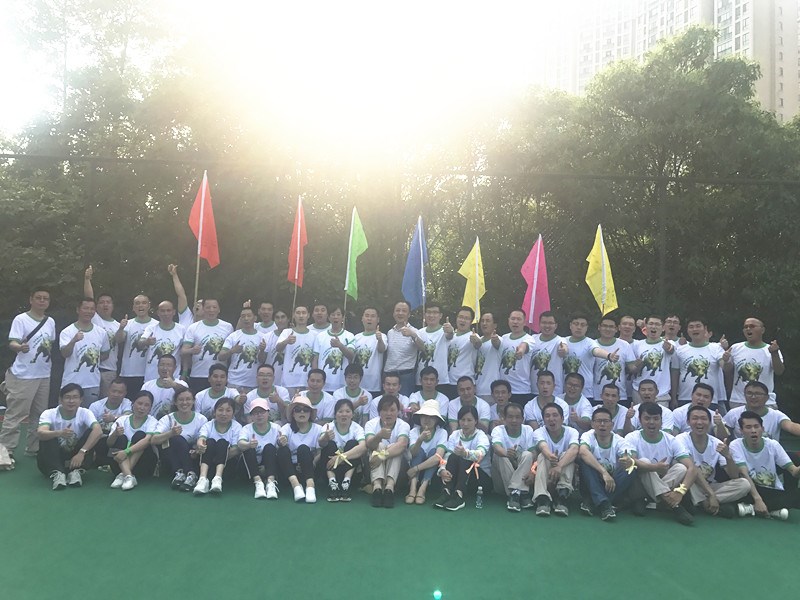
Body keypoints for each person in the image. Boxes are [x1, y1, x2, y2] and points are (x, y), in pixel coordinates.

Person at [0, 287, 56, 458]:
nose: (42, 301)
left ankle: (34, 448)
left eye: (45, 298)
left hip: (44, 375)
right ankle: (6, 451)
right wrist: (20, 347)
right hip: (23, 375)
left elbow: (49, 344)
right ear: (31, 299)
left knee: (39, 415)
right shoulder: (21, 319)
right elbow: (12, 342)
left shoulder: (50, 321)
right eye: (38, 297)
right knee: (15, 414)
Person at [621, 402, 697, 525]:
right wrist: (654, 467)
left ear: (661, 421)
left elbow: (692, 468)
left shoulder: (671, 440)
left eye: (656, 419)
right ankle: (675, 506)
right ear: (640, 420)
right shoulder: (632, 437)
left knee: (682, 468)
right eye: (647, 418)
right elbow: (632, 462)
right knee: (644, 463)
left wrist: (680, 492)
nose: (651, 422)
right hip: (639, 486)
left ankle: (652, 501)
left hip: (662, 481)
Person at [676, 406, 750, 517]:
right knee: (685, 472)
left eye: (703, 419)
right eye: (695, 418)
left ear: (710, 422)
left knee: (744, 484)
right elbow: (692, 470)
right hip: (689, 485)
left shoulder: (716, 443)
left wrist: (728, 456)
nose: (699, 422)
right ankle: (709, 503)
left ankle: (703, 503)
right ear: (688, 422)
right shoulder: (680, 439)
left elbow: (734, 476)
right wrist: (711, 494)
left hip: (709, 486)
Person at [730, 411, 800, 519]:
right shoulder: (736, 445)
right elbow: (744, 474)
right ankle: (770, 508)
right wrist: (758, 499)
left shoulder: (773, 445)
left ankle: (752, 508)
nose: (753, 430)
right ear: (741, 431)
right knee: (743, 487)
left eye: (756, 426)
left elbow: (794, 472)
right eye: (748, 427)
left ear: (762, 429)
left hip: (771, 490)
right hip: (750, 490)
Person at [37, 384, 103, 490]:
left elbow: (98, 431)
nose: (71, 401)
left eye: (75, 397)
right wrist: (58, 433)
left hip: (76, 456)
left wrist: (82, 452)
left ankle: (76, 472)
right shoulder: (49, 413)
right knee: (47, 436)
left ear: (81, 400)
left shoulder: (85, 412)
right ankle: (57, 473)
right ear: (61, 399)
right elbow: (41, 432)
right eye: (67, 397)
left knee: (92, 432)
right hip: (54, 456)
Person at [578, 407, 635, 521]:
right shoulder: (588, 436)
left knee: (632, 468)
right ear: (592, 424)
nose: (602, 424)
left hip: (612, 484)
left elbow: (628, 456)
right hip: (592, 480)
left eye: (606, 421)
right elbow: (583, 451)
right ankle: (605, 504)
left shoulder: (619, 440)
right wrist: (604, 472)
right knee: (583, 460)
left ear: (612, 425)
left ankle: (596, 501)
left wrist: (627, 460)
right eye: (599, 421)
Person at [434, 405, 491, 511]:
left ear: (476, 421)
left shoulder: (481, 436)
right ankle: (447, 492)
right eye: (462, 420)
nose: (465, 423)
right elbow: (447, 455)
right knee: (453, 456)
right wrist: (442, 469)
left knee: (464, 458)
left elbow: (480, 454)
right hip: (460, 475)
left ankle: (459, 496)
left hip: (480, 478)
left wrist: (465, 453)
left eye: (469, 420)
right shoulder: (455, 434)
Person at [152, 388, 208, 492]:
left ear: (193, 401)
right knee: (176, 439)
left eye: (188, 399)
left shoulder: (201, 419)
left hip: (193, 455)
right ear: (175, 402)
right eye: (181, 400)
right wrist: (171, 433)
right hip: (173, 457)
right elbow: (154, 440)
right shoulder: (167, 419)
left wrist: (196, 450)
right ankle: (184, 473)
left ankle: (190, 474)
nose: (184, 403)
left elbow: (203, 439)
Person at [60, 297, 111, 407]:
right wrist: (73, 341)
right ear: (78, 310)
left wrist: (93, 360)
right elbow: (65, 354)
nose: (89, 311)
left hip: (92, 383)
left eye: (92, 309)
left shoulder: (101, 333)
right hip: (71, 382)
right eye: (85, 308)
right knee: (68, 413)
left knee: (89, 414)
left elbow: (105, 354)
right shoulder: (67, 331)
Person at [532, 403, 580, 516]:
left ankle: (562, 496)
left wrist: (559, 466)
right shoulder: (539, 432)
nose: (551, 419)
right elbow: (543, 447)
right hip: (546, 474)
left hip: (564, 472)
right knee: (542, 456)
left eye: (555, 415)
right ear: (543, 420)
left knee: (568, 455)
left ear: (562, 418)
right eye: (547, 416)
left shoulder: (572, 432)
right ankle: (542, 498)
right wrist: (551, 457)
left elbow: (574, 449)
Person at [671, 317, 730, 407]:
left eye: (698, 326)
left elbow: (725, 367)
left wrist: (726, 361)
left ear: (705, 329)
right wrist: (673, 398)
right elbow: (675, 375)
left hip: (709, 399)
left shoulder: (716, 348)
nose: (695, 329)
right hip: (685, 398)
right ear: (687, 330)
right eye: (691, 327)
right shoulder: (679, 350)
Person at [106, 390, 159, 491]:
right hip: (118, 461)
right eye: (139, 403)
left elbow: (147, 440)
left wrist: (126, 452)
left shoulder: (152, 421)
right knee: (121, 438)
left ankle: (124, 474)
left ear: (150, 408)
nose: (142, 408)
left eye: (146, 405)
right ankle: (128, 475)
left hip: (143, 464)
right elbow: (109, 443)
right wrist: (115, 434)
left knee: (140, 435)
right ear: (133, 403)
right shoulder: (122, 420)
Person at [727, 318, 784, 408]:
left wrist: (774, 353)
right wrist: (725, 360)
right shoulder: (735, 348)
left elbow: (779, 371)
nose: (748, 329)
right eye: (745, 327)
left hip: (765, 402)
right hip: (739, 401)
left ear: (762, 330)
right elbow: (727, 370)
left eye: (752, 326)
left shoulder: (770, 350)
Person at [365, 394, 410, 508]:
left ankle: (389, 488)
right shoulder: (371, 424)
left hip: (396, 467)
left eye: (392, 410)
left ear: (398, 411)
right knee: (379, 445)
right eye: (385, 410)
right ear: (379, 412)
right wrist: (379, 436)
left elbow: (402, 444)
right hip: (372, 463)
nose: (388, 413)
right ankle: (377, 488)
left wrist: (382, 456)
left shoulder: (403, 425)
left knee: (395, 447)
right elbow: (369, 444)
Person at [276, 396, 324, 503]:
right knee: (282, 450)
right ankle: (296, 486)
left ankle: (310, 486)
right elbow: (282, 438)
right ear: (293, 413)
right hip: (290, 470)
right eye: (297, 410)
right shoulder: (287, 428)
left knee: (303, 449)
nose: (302, 412)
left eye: (306, 410)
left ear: (310, 413)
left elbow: (320, 453)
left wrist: (313, 463)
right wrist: (281, 441)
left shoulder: (318, 429)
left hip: (310, 467)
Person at [318, 398, 367, 502]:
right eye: (340, 411)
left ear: (352, 414)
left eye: (347, 411)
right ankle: (332, 484)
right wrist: (325, 437)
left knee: (352, 444)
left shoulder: (357, 428)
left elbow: (363, 447)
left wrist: (341, 457)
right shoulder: (328, 426)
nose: (344, 414)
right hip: (330, 469)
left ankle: (346, 483)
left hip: (350, 471)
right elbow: (321, 444)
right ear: (335, 414)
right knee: (329, 444)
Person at [181, 298, 233, 394]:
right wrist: (192, 350)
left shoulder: (228, 327)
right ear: (203, 309)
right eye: (208, 307)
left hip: (220, 375)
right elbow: (183, 351)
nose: (211, 310)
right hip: (198, 374)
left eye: (214, 307)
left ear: (219, 309)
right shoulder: (193, 327)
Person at [491, 402, 536, 512]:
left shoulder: (528, 430)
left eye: (517, 417)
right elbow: (496, 447)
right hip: (501, 481)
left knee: (528, 454)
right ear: (504, 418)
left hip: (523, 477)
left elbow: (534, 453)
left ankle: (515, 494)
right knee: (500, 456)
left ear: (523, 419)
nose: (514, 420)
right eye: (510, 417)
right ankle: (519, 492)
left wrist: (532, 472)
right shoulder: (498, 430)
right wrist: (506, 453)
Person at [83, 266, 120, 398]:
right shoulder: (95, 319)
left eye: (108, 302)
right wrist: (87, 279)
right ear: (96, 306)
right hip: (91, 368)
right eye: (102, 302)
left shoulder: (118, 325)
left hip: (109, 370)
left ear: (112, 305)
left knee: (106, 402)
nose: (105, 305)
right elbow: (89, 297)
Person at [193, 397, 242, 495]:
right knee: (210, 442)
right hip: (207, 463)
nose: (224, 414)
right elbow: (201, 438)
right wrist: (200, 445)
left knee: (222, 443)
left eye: (228, 410)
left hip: (226, 465)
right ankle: (202, 479)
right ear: (214, 412)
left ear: (233, 413)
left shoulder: (237, 427)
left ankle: (218, 479)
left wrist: (219, 456)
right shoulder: (208, 425)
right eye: (220, 410)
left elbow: (236, 449)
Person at [723, 381, 800, 442]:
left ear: (767, 397)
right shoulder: (734, 413)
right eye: (749, 393)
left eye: (758, 394)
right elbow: (722, 433)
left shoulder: (776, 415)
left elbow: (791, 426)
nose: (753, 397)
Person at [406, 399, 448, 505]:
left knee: (434, 452)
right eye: (424, 416)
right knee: (419, 451)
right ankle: (412, 488)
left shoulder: (442, 432)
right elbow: (413, 453)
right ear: (420, 417)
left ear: (437, 420)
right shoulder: (414, 431)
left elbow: (438, 457)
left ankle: (422, 488)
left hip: (428, 472)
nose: (427, 419)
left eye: (431, 417)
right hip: (414, 467)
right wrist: (420, 440)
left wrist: (415, 469)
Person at [237, 399, 280, 500]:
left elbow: (279, 450)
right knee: (249, 449)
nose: (259, 415)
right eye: (255, 413)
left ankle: (270, 483)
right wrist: (249, 444)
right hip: (249, 467)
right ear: (251, 416)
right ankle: (258, 482)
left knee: (270, 447)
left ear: (268, 413)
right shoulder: (246, 428)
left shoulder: (276, 428)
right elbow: (240, 444)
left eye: (262, 412)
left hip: (268, 465)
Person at [115, 293, 156, 396]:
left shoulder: (156, 325)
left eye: (144, 303)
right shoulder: (128, 324)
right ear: (133, 308)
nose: (140, 306)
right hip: (129, 372)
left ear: (149, 306)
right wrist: (121, 328)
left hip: (149, 373)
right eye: (137, 303)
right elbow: (119, 340)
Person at [384, 300, 427, 397]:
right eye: (397, 310)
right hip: (389, 374)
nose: (400, 313)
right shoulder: (390, 332)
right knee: (388, 403)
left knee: (405, 404)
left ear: (409, 314)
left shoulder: (415, 331)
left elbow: (422, 348)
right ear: (393, 314)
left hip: (406, 376)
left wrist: (412, 335)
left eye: (404, 311)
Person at [218, 305, 265, 392]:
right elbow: (221, 357)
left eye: (249, 316)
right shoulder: (233, 336)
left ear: (255, 318)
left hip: (254, 383)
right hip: (234, 381)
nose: (246, 319)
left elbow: (263, 361)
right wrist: (232, 351)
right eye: (243, 316)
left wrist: (261, 350)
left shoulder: (262, 337)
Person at [138, 299, 186, 382]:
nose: (166, 313)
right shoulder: (151, 328)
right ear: (158, 313)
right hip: (151, 377)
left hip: (173, 377)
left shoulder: (181, 329)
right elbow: (140, 342)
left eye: (168, 310)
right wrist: (146, 342)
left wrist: (184, 373)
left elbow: (185, 354)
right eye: (162, 311)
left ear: (174, 312)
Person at [630, 316, 675, 405]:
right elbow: (632, 370)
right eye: (651, 324)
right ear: (645, 326)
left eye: (657, 324)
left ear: (663, 328)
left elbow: (671, 350)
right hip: (639, 392)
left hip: (661, 394)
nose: (654, 327)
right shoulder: (637, 345)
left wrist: (668, 348)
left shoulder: (669, 343)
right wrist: (637, 366)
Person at [276, 305, 317, 396]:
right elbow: (278, 349)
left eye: (304, 313)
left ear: (308, 315)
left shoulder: (315, 335)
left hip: (307, 381)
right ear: (294, 315)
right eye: (298, 313)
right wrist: (286, 341)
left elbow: (315, 358)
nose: (301, 316)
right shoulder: (287, 332)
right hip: (289, 381)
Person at [87, 378, 131, 464]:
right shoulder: (95, 406)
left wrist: (113, 418)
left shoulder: (127, 403)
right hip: (100, 436)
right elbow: (90, 426)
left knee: (122, 438)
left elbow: (128, 416)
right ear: (108, 391)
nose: (116, 394)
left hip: (117, 436)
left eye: (120, 392)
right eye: (113, 391)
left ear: (125, 393)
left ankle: (114, 462)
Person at [312, 306, 354, 393]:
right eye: (333, 315)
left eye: (338, 314)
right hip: (323, 384)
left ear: (343, 317)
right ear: (329, 317)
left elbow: (351, 356)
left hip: (342, 384)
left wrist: (340, 345)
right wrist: (314, 378)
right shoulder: (320, 336)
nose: (335, 317)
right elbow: (315, 359)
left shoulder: (349, 336)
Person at [590, 316, 631, 402]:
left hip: (620, 396)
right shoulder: (591, 344)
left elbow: (632, 368)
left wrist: (639, 363)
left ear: (616, 329)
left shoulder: (624, 345)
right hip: (598, 396)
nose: (608, 329)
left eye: (611, 327)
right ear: (599, 327)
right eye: (604, 326)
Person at [498, 309, 534, 405]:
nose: (515, 322)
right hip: (504, 391)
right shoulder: (504, 338)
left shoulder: (529, 339)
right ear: (508, 320)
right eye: (513, 319)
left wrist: (521, 351)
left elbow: (524, 345)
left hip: (521, 390)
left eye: (519, 319)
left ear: (524, 322)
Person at [528, 311, 568, 395]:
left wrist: (563, 350)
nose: (547, 326)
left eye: (550, 323)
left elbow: (564, 348)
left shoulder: (560, 340)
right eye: (544, 323)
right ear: (539, 324)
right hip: (534, 389)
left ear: (555, 325)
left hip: (554, 391)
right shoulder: (532, 339)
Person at [351, 307, 387, 397]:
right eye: (367, 316)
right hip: (357, 383)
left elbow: (381, 349)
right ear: (362, 318)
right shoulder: (356, 337)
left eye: (373, 316)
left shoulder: (382, 336)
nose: (369, 318)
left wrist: (379, 339)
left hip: (374, 384)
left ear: (378, 319)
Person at [140, 354, 189, 419]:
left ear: (175, 368)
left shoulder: (182, 383)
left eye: (169, 365)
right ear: (157, 366)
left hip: (174, 422)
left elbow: (186, 395)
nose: (165, 368)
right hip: (152, 421)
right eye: (162, 365)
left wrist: (173, 385)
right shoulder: (147, 385)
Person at [445, 307, 480, 397]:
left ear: (471, 321)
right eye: (460, 317)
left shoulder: (473, 336)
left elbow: (478, 344)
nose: (463, 320)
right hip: (448, 381)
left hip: (465, 383)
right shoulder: (450, 336)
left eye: (467, 318)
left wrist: (476, 341)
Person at [416, 303, 450, 390]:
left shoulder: (445, 331)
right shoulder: (419, 332)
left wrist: (450, 331)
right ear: (424, 315)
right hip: (421, 380)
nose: (431, 315)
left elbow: (450, 336)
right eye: (429, 312)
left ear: (440, 315)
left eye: (435, 312)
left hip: (440, 380)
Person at [473, 312, 501, 401]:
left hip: (490, 391)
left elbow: (497, 344)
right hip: (475, 390)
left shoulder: (499, 340)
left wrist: (495, 341)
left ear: (495, 325)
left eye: (488, 321)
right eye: (482, 321)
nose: (484, 323)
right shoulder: (477, 341)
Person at [261, 308, 289, 385]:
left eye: (283, 317)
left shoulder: (294, 336)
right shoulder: (267, 336)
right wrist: (262, 350)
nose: (280, 320)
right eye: (277, 317)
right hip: (272, 380)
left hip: (289, 381)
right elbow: (261, 360)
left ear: (288, 319)